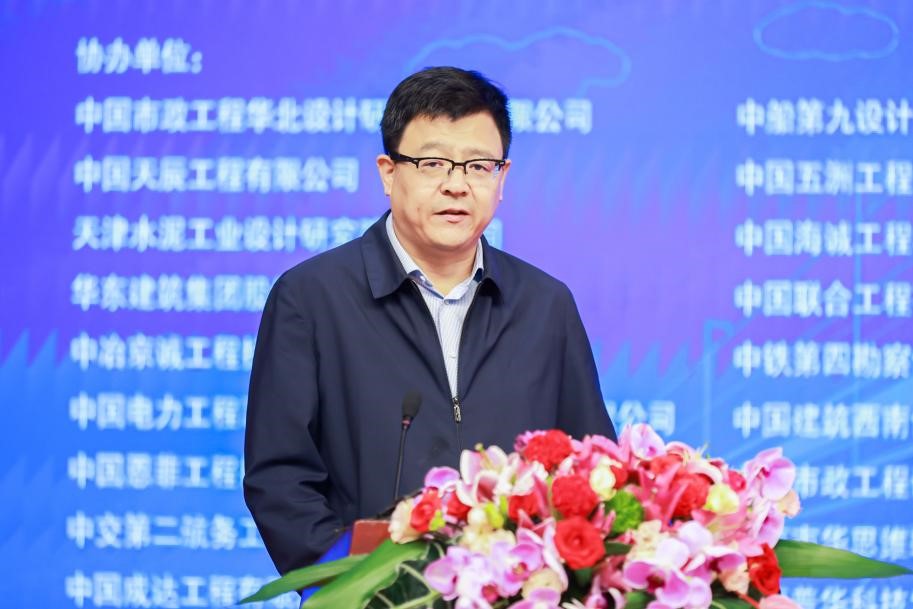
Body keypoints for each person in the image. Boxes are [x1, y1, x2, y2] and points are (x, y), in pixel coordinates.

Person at [243, 66, 616, 575]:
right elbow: (280, 480)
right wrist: (355, 585)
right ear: (388, 172)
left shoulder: (545, 304)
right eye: (433, 163)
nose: (456, 185)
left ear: (502, 178)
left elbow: (592, 467)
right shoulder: (310, 298)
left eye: (478, 166)